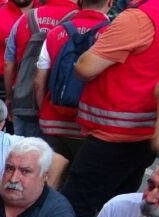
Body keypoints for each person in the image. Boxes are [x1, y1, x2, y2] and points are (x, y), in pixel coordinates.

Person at [62, 0, 159, 217]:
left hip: (114, 134)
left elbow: (86, 68)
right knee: (121, 207)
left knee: (75, 205)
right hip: (143, 130)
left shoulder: (136, 19)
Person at [33, 0, 111, 189]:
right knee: (80, 188)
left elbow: (38, 80)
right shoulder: (111, 34)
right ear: (110, 3)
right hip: (88, 125)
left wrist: (42, 109)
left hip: (53, 120)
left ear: (80, 2)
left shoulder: (56, 32)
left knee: (47, 182)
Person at [3, 0, 79, 137]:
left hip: (23, 101)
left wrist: (9, 97)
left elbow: (8, 63)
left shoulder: (26, 17)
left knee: (24, 152)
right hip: (60, 107)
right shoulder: (78, 19)